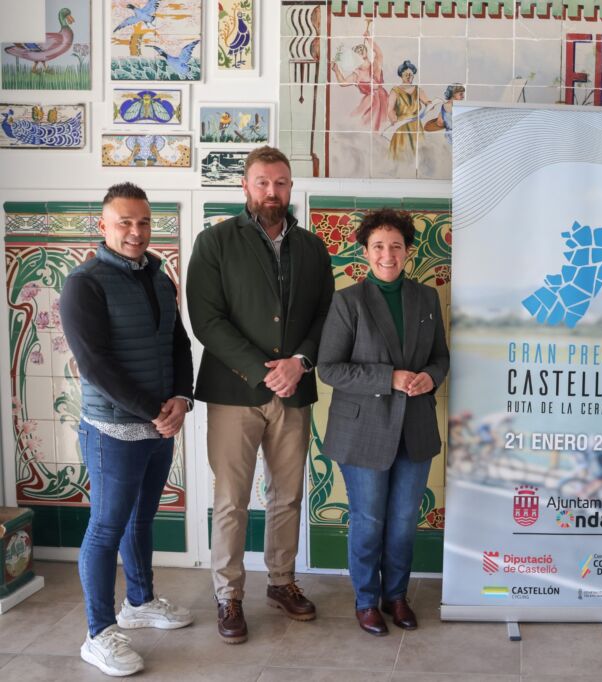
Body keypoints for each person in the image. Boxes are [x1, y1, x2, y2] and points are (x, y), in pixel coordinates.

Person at [187, 145, 334, 644]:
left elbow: (324, 317)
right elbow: (206, 319)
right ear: (245, 187)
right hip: (233, 391)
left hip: (295, 389)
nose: (273, 192)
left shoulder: (313, 248)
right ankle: (228, 595)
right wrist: (261, 370)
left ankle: (281, 582)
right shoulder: (215, 242)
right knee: (231, 499)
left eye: (282, 183)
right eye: (263, 182)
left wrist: (300, 363)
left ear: (291, 188)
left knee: (286, 496)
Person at [61, 182, 194, 676]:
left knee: (141, 520)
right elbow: (95, 365)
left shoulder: (159, 277)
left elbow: (178, 343)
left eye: (143, 222)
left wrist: (181, 398)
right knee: (106, 528)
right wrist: (153, 409)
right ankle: (98, 633)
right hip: (113, 429)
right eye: (124, 222)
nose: (136, 232)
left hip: (159, 423)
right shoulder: (85, 282)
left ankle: (139, 603)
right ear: (103, 226)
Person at [317, 208, 449, 636]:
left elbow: (441, 357)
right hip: (363, 432)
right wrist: (387, 377)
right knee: (369, 520)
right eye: (378, 246)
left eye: (396, 246)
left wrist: (431, 376)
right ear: (365, 252)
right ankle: (366, 601)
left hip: (415, 428)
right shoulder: (347, 301)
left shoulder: (427, 299)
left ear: (408, 251)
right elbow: (329, 368)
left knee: (405, 520)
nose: (387, 254)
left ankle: (396, 596)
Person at [330, 28, 387, 133]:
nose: (360, 50)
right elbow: (342, 83)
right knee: (360, 124)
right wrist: (336, 70)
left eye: (361, 48)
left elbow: (379, 54)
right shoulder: (356, 74)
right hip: (369, 102)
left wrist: (369, 39)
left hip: (382, 100)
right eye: (357, 51)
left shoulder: (374, 66)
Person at [386, 60, 431, 162]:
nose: (409, 77)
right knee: (401, 155)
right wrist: (393, 119)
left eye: (411, 75)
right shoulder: (395, 91)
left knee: (418, 154)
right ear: (401, 75)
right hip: (402, 125)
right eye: (406, 75)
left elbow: (427, 101)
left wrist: (430, 104)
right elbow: (390, 109)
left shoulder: (417, 90)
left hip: (415, 125)